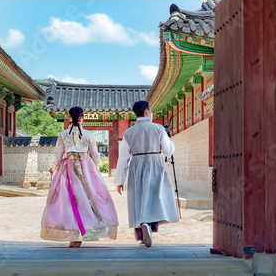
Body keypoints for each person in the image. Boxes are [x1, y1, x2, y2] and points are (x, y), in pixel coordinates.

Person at [40, 106, 118, 247]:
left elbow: (57, 155)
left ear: (69, 117)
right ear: (83, 117)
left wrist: (53, 169)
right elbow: (95, 155)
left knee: (69, 202)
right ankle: (84, 230)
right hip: (86, 167)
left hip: (67, 168)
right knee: (85, 200)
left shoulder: (63, 134)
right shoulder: (88, 135)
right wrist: (95, 172)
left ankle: (74, 235)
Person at [115, 100, 179, 248]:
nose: (152, 113)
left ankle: (143, 228)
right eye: (151, 110)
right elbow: (168, 151)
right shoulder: (158, 129)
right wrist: (170, 138)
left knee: (140, 198)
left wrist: (120, 180)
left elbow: (123, 157)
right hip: (155, 163)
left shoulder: (128, 132)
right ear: (146, 112)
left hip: (137, 164)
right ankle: (148, 225)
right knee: (155, 197)